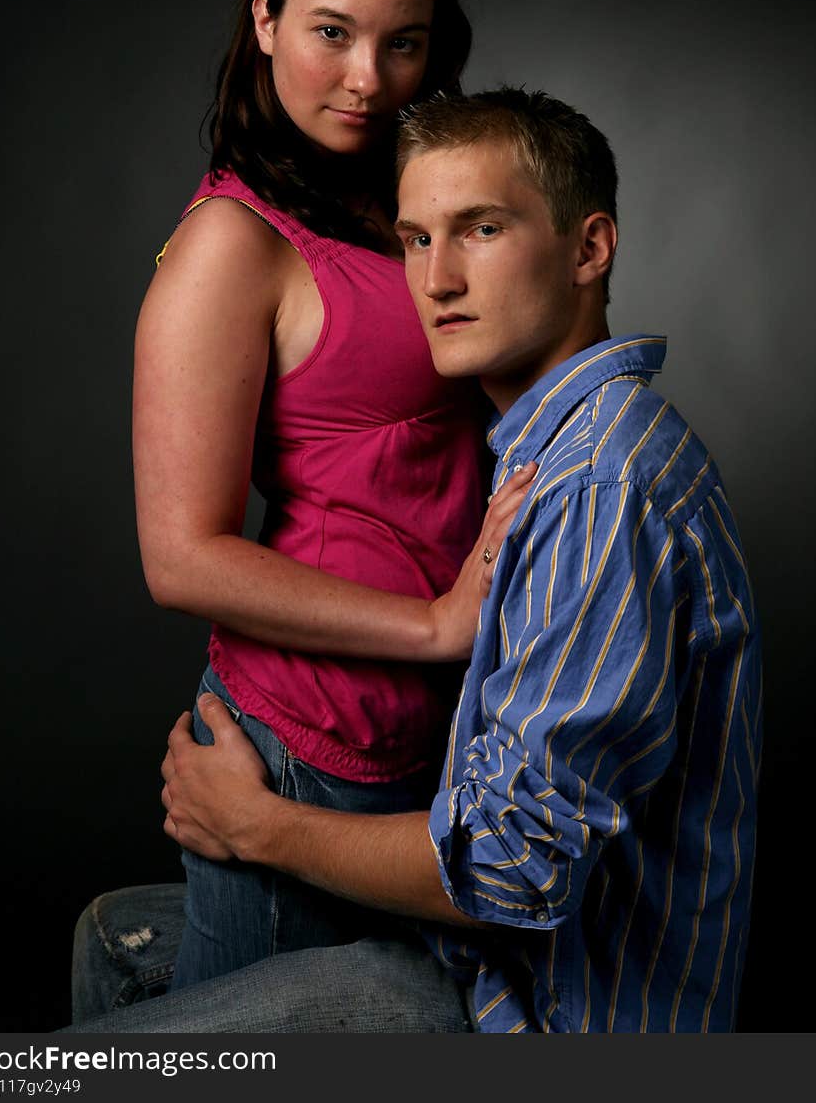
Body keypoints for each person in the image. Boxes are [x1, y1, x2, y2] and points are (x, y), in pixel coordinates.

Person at [69, 87, 760, 1033]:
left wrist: (255, 825)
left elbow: (516, 866)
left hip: (536, 1017)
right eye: (414, 239)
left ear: (589, 249)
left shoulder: (603, 487)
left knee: (51, 1076)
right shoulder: (545, 446)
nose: (433, 281)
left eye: (480, 229)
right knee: (113, 937)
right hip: (482, 957)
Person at [125, 0, 537, 992]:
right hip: (308, 745)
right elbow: (181, 555)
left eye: (402, 43)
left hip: (439, 736)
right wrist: (435, 626)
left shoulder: (398, 198)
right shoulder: (230, 245)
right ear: (264, 23)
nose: (367, 78)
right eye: (330, 32)